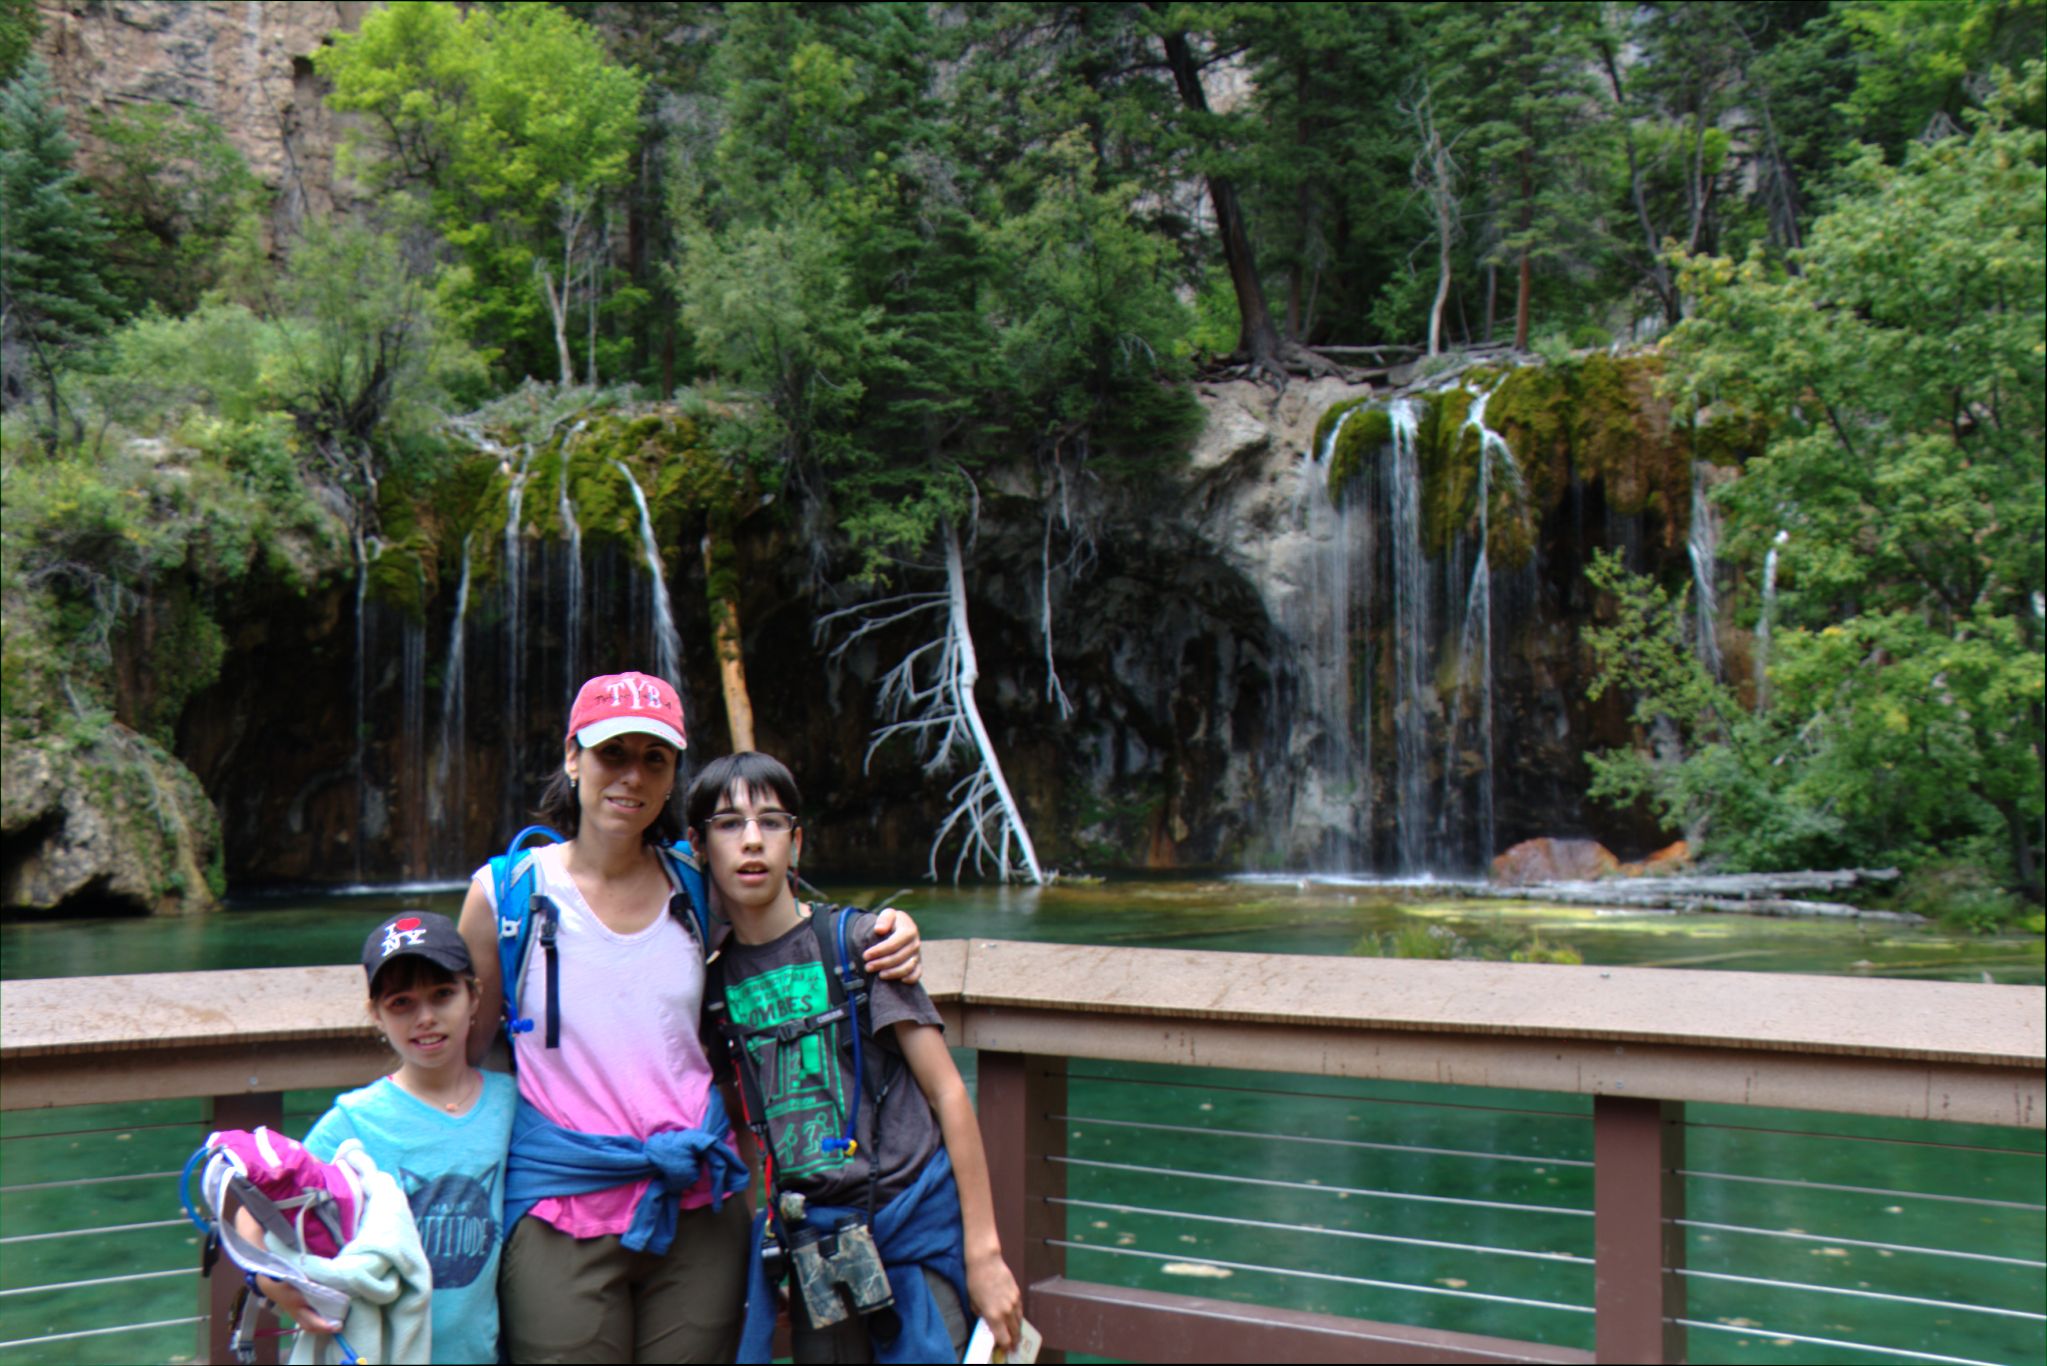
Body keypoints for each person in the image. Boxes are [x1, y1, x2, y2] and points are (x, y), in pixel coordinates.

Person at [455, 671, 925, 1364]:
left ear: (674, 773)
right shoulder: (507, 896)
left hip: (699, 1199)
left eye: (654, 758)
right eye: (613, 753)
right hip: (562, 1201)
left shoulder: (695, 887)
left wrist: (891, 927)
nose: (631, 777)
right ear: (572, 757)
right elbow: (464, 1059)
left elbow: (789, 927)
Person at [688, 751, 1023, 1364]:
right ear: (699, 847)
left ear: (797, 841)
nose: (752, 841)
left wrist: (985, 1254)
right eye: (729, 823)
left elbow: (948, 1093)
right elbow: (740, 1123)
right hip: (817, 1246)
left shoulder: (862, 946)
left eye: (771, 821)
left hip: (912, 1230)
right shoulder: (712, 988)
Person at [249, 909, 517, 1364]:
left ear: (474, 997)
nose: (426, 1017)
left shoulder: (509, 1102)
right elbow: (256, 1208)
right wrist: (269, 1282)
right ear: (375, 1014)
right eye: (401, 1003)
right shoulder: (354, 1121)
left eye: (443, 994)